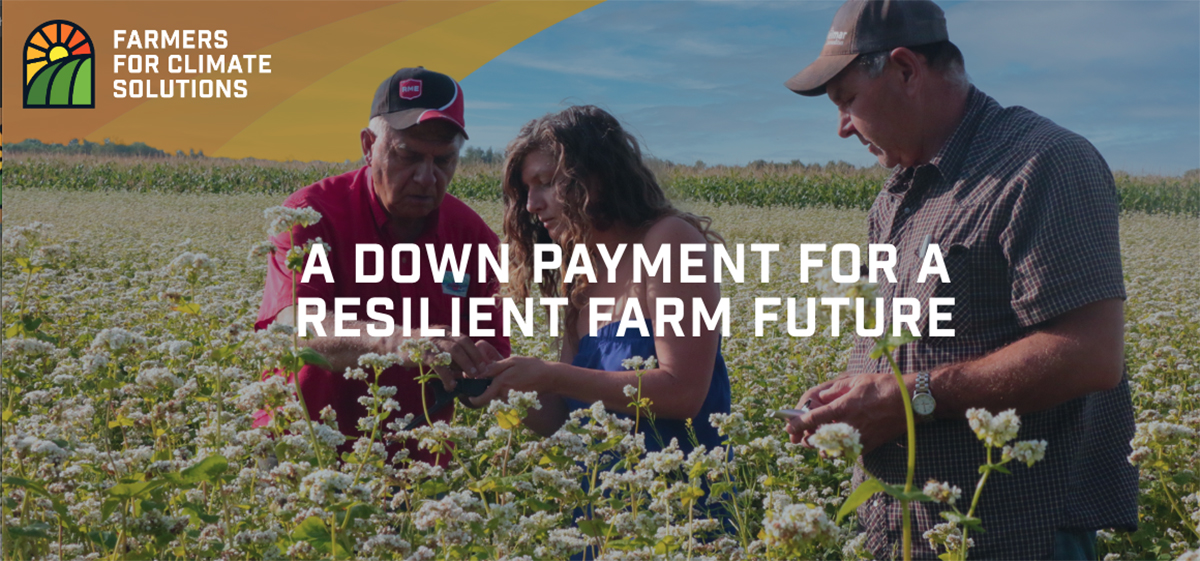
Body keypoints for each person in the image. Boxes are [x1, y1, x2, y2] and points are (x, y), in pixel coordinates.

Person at [781, 0, 1137, 558]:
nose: (843, 128)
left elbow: (1091, 354)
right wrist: (854, 395)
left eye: (847, 101)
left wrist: (909, 399)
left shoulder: (1041, 163)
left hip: (1014, 533)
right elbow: (915, 344)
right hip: (907, 530)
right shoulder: (897, 196)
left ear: (904, 69)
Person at [255, 67, 510, 464]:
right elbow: (298, 325)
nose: (427, 177)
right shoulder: (311, 215)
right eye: (407, 155)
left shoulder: (473, 237)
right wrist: (403, 343)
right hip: (303, 454)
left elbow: (491, 362)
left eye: (444, 160)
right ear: (368, 145)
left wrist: (484, 374)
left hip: (416, 473)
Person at [466, 105, 731, 453]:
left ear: (596, 175)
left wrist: (551, 375)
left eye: (545, 183)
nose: (531, 205)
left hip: (679, 496)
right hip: (600, 500)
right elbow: (564, 416)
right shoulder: (580, 275)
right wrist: (498, 383)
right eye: (526, 190)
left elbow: (683, 393)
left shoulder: (669, 239)